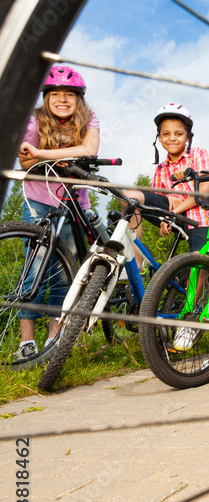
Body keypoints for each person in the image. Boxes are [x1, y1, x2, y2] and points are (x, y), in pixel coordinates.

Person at [16, 65, 100, 360]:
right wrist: (46, 157)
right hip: (39, 200)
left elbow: (89, 150)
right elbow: (24, 163)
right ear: (46, 97)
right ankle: (27, 342)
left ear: (79, 99)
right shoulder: (34, 121)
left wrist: (41, 154)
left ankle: (54, 338)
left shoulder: (89, 119)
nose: (62, 99)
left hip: (75, 203)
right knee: (35, 270)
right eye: (55, 94)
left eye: (70, 94)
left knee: (65, 275)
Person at [124, 103, 209, 352]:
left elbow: (204, 191)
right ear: (158, 138)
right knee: (131, 196)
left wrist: (174, 211)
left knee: (198, 262)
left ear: (188, 136)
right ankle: (134, 266)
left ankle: (189, 321)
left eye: (178, 133)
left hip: (199, 218)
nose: (172, 138)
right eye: (166, 134)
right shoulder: (160, 169)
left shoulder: (198, 155)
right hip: (173, 215)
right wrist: (165, 218)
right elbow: (160, 199)